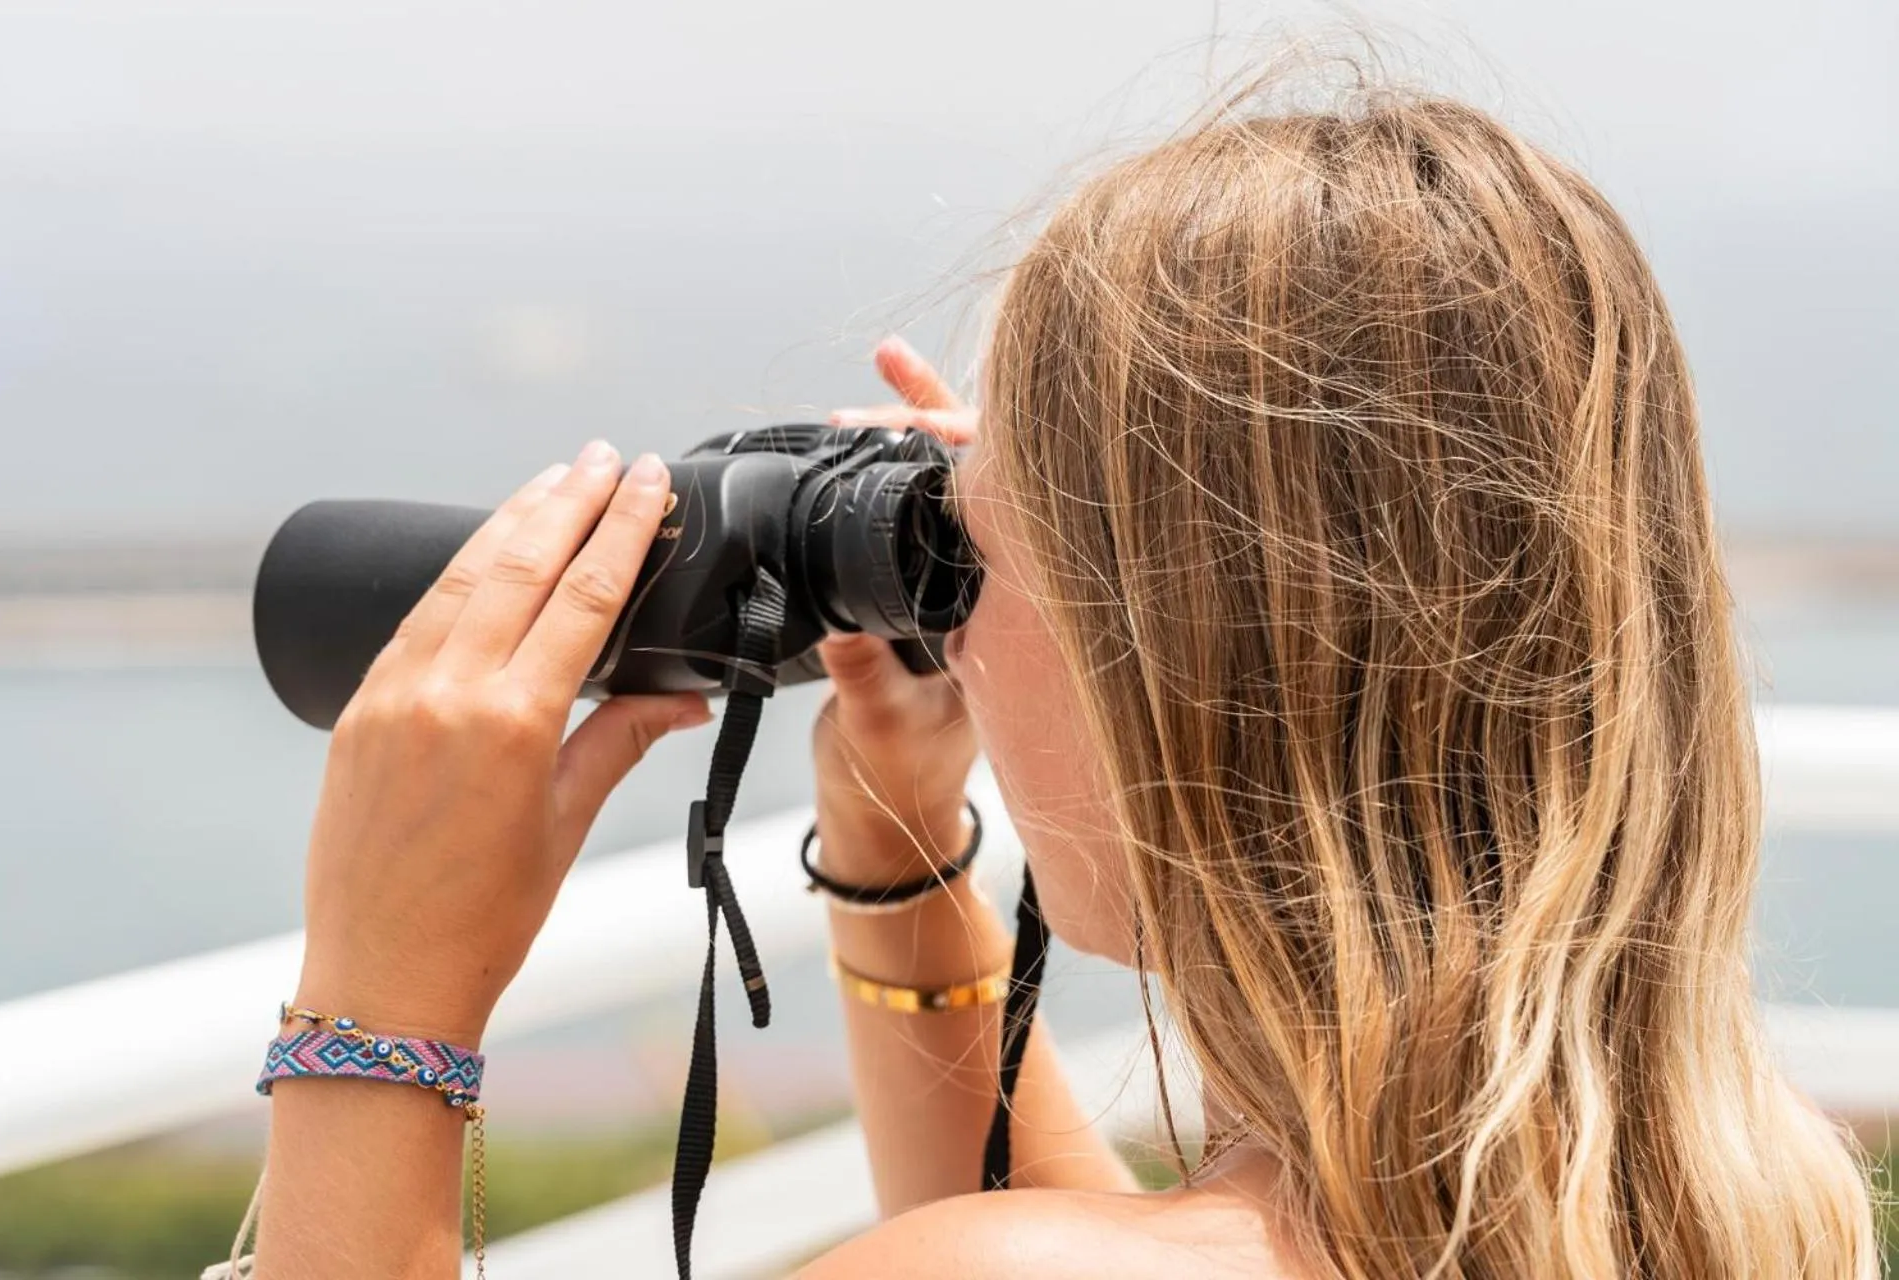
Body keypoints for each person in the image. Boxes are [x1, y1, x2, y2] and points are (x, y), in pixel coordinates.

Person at [227, 89, 1879, 1279]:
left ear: (1165, 648)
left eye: (974, 548)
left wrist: (382, 1007)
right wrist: (896, 839)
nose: (956, 618)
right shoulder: (1743, 1190)